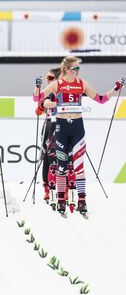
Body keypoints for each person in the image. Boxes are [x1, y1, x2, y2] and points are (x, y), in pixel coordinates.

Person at [38, 56, 124, 215]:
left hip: (78, 129)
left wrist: (116, 88)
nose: (78, 71)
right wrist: (39, 89)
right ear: (67, 69)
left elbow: (101, 99)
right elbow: (38, 99)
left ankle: (82, 201)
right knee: (62, 168)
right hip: (62, 130)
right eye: (76, 68)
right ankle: (61, 200)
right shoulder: (57, 84)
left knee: (79, 167)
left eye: (79, 68)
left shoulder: (81, 83)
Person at [33, 67, 61, 204]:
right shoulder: (47, 92)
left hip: (62, 124)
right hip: (49, 125)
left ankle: (63, 189)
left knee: (62, 157)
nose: (47, 80)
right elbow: (38, 111)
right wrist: (38, 88)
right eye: (46, 78)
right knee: (46, 157)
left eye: (50, 78)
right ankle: (47, 189)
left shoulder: (61, 90)